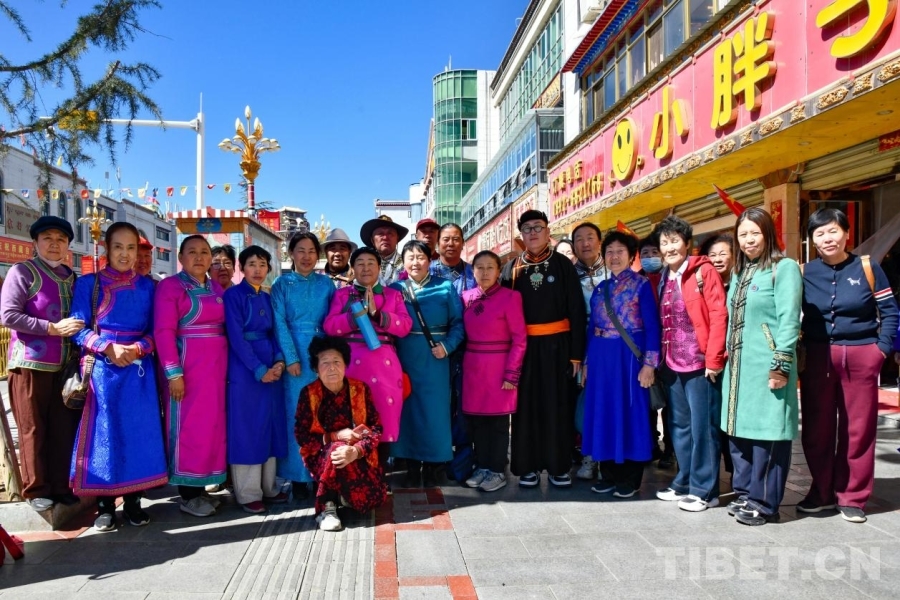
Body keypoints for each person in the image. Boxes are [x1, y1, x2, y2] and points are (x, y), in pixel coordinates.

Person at [799, 208, 899, 523]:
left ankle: (853, 496)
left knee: (858, 429)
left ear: (846, 233)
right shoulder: (804, 272)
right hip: (817, 358)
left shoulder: (867, 267)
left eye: (833, 231)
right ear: (812, 240)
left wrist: (880, 351)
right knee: (816, 429)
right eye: (819, 233)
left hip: (861, 355)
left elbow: (890, 311)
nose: (827, 238)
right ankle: (821, 492)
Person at [69, 222, 167, 530]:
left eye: (131, 248)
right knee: (105, 436)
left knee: (139, 434)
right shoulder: (88, 284)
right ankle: (105, 507)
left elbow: (158, 331)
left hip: (138, 370)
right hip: (103, 371)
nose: (125, 254)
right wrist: (107, 347)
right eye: (118, 247)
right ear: (106, 249)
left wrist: (138, 348)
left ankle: (135, 503)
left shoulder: (149, 287)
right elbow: (77, 328)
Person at [722, 207, 802, 527]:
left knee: (768, 435)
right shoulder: (741, 273)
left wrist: (780, 364)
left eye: (755, 233)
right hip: (739, 370)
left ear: (768, 233)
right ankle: (745, 492)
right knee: (740, 434)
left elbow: (789, 319)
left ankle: (765, 502)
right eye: (743, 234)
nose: (749, 240)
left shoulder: (784, 268)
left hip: (768, 366)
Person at [0, 216, 82, 512]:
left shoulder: (72, 277)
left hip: (66, 368)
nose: (54, 244)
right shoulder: (23, 272)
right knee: (33, 428)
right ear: (35, 242)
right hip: (31, 365)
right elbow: (8, 315)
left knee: (63, 428)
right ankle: (36, 489)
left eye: (61, 239)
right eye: (47, 238)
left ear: (68, 245)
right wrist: (51, 328)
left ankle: (61, 486)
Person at [500, 210, 586, 488]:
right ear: (521, 235)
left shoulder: (563, 265)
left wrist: (576, 354)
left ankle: (559, 467)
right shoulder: (512, 268)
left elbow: (576, 310)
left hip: (558, 347)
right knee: (525, 409)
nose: (533, 232)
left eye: (538, 227)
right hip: (523, 349)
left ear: (548, 232)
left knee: (558, 406)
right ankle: (528, 467)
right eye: (527, 228)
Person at [652, 216, 728, 512]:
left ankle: (705, 490)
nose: (670, 247)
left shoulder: (703, 271)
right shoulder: (664, 276)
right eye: (664, 242)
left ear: (687, 243)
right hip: (672, 363)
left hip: (699, 363)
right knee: (679, 426)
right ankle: (684, 480)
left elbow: (718, 315)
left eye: (675, 241)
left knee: (703, 428)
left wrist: (714, 358)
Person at [582, 231, 660, 498]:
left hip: (628, 359)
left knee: (629, 413)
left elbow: (652, 327)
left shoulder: (641, 285)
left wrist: (649, 365)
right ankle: (608, 474)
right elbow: (591, 327)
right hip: (601, 358)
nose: (614, 257)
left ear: (631, 256)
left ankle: (630, 478)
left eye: (620, 252)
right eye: (610, 252)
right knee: (603, 412)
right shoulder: (600, 288)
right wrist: (587, 362)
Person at [154, 235, 228, 517]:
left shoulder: (216, 287)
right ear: (180, 258)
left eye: (205, 252)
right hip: (187, 371)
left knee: (211, 428)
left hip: (215, 371)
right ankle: (188, 495)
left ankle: (202, 486)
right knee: (188, 429)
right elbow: (163, 331)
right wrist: (173, 373)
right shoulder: (170, 287)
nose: (199, 257)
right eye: (192, 252)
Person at [390, 240, 465, 487]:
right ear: (403, 262)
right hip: (404, 357)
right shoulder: (394, 289)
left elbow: (458, 323)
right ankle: (411, 465)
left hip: (436, 357)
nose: (415, 262)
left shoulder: (445, 287)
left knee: (436, 412)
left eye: (420, 257)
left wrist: (447, 346)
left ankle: (434, 466)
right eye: (410, 257)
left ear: (429, 260)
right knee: (408, 411)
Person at [323, 246, 412, 450]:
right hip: (351, 366)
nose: (365, 268)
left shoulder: (393, 295)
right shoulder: (342, 295)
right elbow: (329, 326)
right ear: (352, 268)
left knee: (382, 424)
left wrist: (378, 315)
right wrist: (353, 317)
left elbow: (405, 326)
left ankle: (381, 468)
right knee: (351, 425)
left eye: (371, 263)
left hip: (385, 368)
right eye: (360, 264)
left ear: (379, 268)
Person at [295, 336, 387, 532]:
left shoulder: (360, 389)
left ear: (345, 365)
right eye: (325, 363)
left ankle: (343, 495)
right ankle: (326, 507)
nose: (331, 368)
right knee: (337, 450)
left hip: (358, 454)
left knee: (373, 499)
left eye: (337, 361)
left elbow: (376, 428)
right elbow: (302, 436)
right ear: (316, 368)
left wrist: (356, 451)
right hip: (322, 455)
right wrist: (335, 437)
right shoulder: (308, 394)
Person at [224, 245, 290, 514]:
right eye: (252, 264)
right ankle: (248, 492)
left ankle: (269, 487)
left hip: (271, 368)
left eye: (263, 264)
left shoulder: (266, 295)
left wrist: (279, 360)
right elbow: (236, 337)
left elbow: (273, 332)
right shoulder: (233, 296)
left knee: (270, 425)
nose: (258, 270)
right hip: (245, 370)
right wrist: (259, 369)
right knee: (247, 428)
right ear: (241, 267)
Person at [271, 232, 336, 500]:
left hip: (321, 352)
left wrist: (331, 358)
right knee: (297, 415)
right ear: (291, 254)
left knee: (323, 413)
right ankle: (297, 477)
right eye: (301, 250)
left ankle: (321, 472)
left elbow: (333, 320)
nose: (306, 256)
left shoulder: (327, 284)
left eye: (311, 251)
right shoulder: (281, 284)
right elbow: (278, 321)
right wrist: (291, 357)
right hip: (295, 352)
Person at [461, 251, 527, 492]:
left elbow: (519, 339)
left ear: (499, 271)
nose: (485, 272)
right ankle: (482, 466)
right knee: (477, 421)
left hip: (500, 367)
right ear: (473, 271)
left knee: (498, 423)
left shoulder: (511, 297)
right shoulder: (466, 297)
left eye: (490, 267)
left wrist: (512, 373)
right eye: (479, 267)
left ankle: (497, 470)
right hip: (474, 367)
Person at [571, 222, 606, 481]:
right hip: (579, 340)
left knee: (607, 398)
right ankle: (589, 454)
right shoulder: (568, 274)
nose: (585, 243)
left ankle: (607, 455)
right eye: (579, 239)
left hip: (609, 341)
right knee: (584, 398)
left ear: (600, 241)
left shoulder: (612, 269)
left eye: (590, 237)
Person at [701, 232, 736, 479]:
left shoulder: (739, 284)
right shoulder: (702, 285)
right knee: (715, 418)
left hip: (736, 360)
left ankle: (736, 471)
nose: (717, 259)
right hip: (711, 362)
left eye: (723, 253)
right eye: (712, 255)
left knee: (733, 418)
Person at [639, 234, 673, 469]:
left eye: (654, 252)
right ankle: (651, 444)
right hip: (645, 351)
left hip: (671, 351)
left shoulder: (671, 278)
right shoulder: (637, 281)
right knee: (648, 402)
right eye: (645, 254)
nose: (650, 257)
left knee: (670, 405)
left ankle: (670, 450)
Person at [359, 215, 409, 285]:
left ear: (397, 238)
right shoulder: (362, 266)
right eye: (380, 234)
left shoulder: (408, 264)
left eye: (390, 233)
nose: (385, 237)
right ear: (372, 240)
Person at [429, 223, 476, 296]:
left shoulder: (474, 272)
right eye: (446, 239)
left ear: (462, 243)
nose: (451, 244)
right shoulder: (427, 270)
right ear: (438, 243)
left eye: (456, 239)